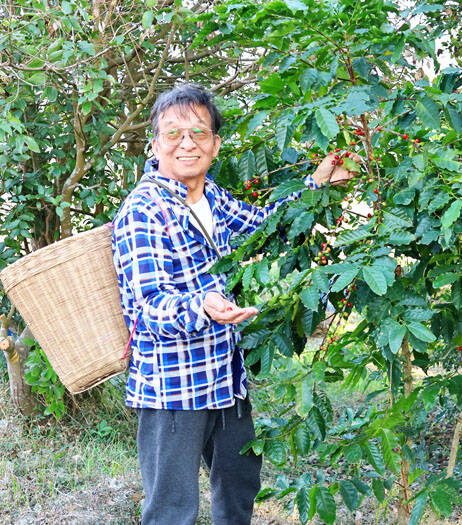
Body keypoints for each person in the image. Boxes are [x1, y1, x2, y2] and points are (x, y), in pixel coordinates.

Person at [112, 83, 360, 524]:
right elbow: (148, 306)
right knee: (171, 509)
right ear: (155, 143)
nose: (186, 144)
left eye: (198, 133)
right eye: (173, 133)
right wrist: (202, 305)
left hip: (225, 377)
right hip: (173, 387)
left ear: (215, 144)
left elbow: (266, 227)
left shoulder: (212, 197)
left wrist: (319, 184)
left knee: (239, 486)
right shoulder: (143, 210)